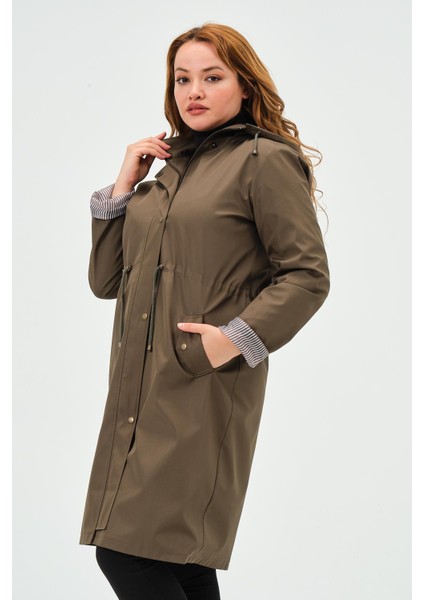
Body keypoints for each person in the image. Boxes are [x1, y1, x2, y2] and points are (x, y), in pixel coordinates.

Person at [79, 22, 330, 600]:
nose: (194, 91)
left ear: (244, 85)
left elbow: (307, 275)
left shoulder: (263, 160)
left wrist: (230, 340)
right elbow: (106, 280)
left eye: (212, 77)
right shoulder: (167, 173)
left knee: (128, 552)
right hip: (139, 390)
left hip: (203, 387)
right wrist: (123, 187)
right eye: (182, 79)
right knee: (178, 558)